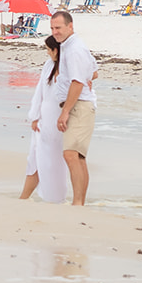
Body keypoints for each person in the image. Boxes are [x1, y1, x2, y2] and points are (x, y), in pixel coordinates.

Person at [51, 11, 98, 206]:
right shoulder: (69, 46)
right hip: (78, 104)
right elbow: (93, 72)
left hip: (79, 106)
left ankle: (78, 203)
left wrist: (65, 111)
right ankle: (79, 202)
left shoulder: (74, 49)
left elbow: (78, 82)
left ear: (70, 26)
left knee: (71, 154)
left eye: (59, 28)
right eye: (52, 28)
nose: (55, 32)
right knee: (77, 156)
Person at [19, 36, 69, 202]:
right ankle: (23, 197)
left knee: (53, 162)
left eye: (49, 49)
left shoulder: (68, 68)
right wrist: (35, 116)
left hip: (59, 121)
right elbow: (39, 92)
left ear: (56, 50)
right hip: (43, 119)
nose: (47, 52)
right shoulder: (48, 66)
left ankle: (56, 197)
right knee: (34, 158)